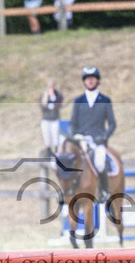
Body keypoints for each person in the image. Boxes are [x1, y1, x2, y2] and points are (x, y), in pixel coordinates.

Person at [69, 66, 116, 199]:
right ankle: (69, 191)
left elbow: (112, 124)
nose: (90, 81)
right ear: (84, 81)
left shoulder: (105, 100)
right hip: (81, 141)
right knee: (67, 162)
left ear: (98, 80)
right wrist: (73, 135)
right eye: (87, 78)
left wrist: (104, 137)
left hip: (97, 141)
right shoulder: (78, 101)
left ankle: (105, 191)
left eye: (93, 78)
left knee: (100, 163)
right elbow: (72, 123)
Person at [39, 79, 63, 154]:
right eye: (49, 86)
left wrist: (52, 97)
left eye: (52, 86)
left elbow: (58, 105)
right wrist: (47, 99)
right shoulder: (44, 95)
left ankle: (56, 152)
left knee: (56, 137)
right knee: (47, 138)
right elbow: (43, 107)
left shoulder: (58, 95)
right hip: (46, 119)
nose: (51, 88)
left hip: (55, 119)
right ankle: (48, 152)